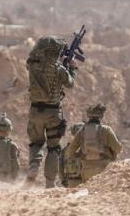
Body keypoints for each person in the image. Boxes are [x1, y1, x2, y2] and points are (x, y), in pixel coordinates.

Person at [26, 36, 77, 188]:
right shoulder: (59, 69)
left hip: (35, 111)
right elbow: (70, 84)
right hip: (54, 113)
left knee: (36, 143)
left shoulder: (32, 65)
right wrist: (72, 68)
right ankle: (49, 183)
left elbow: (36, 59)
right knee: (53, 148)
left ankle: (34, 166)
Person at [66, 103, 122, 183]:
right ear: (101, 116)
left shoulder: (82, 131)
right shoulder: (106, 130)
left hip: (86, 170)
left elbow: (70, 152)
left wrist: (80, 155)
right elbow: (118, 149)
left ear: (89, 116)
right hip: (103, 169)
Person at [59, 123, 85, 187]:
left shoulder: (65, 150)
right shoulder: (88, 149)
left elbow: (60, 167)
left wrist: (63, 180)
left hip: (71, 182)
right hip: (86, 181)